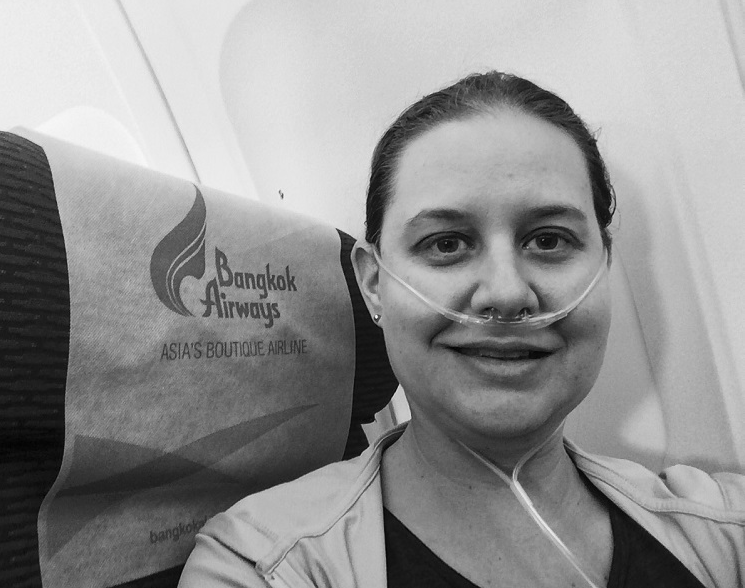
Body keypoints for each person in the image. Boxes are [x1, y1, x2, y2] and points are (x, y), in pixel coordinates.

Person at [178, 72, 744, 587]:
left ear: (604, 266)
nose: (505, 294)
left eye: (549, 240)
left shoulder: (723, 530)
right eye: (446, 244)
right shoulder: (265, 566)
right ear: (374, 285)